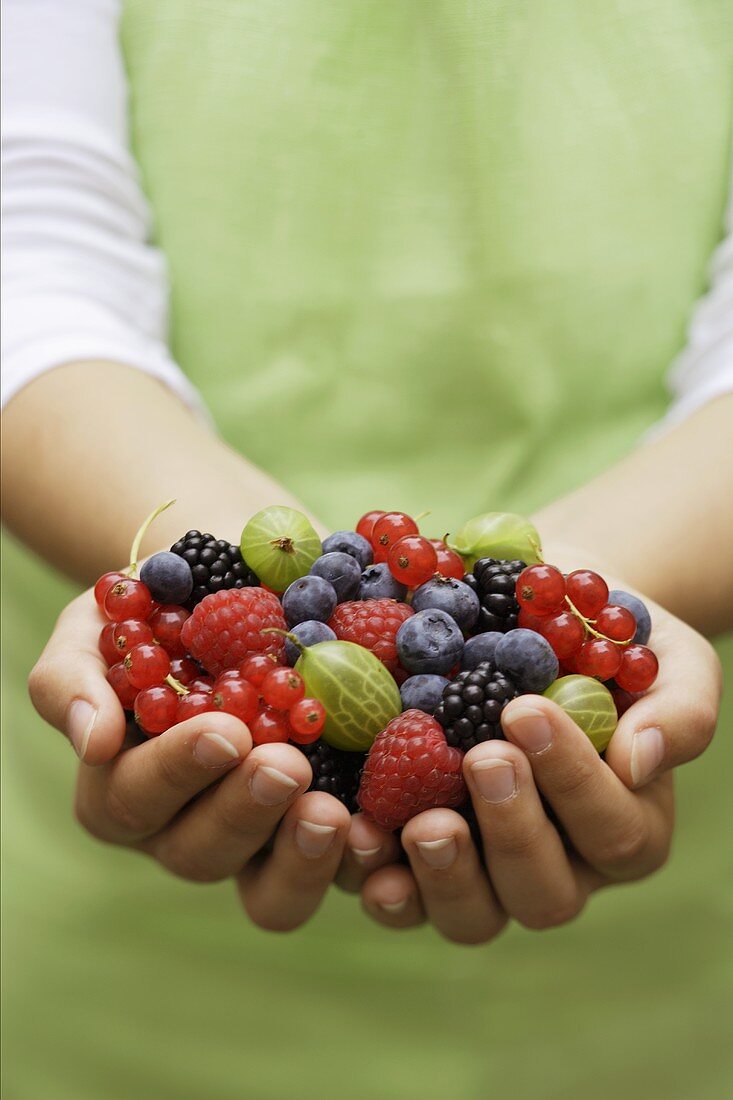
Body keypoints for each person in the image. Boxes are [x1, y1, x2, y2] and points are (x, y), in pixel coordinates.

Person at [2, 2, 731, 1097]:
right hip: (110, 961)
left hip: (668, 973)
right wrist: (223, 582)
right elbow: (29, 231)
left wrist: (587, 594)